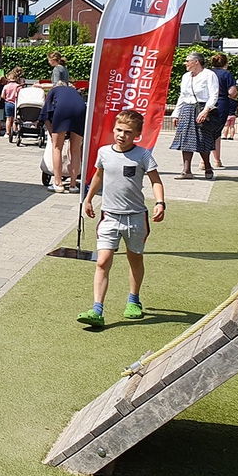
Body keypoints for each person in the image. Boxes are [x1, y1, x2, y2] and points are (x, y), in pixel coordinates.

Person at [76, 111, 165, 328]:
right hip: (109, 216)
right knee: (103, 261)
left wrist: (160, 202)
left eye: (127, 132)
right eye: (118, 130)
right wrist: (88, 199)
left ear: (137, 135)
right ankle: (97, 309)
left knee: (135, 259)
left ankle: (133, 299)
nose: (121, 135)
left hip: (136, 217)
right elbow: (98, 176)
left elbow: (156, 181)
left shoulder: (143, 155)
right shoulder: (104, 152)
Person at [170, 52, 220, 180]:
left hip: (202, 108)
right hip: (187, 108)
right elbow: (182, 95)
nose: (185, 63)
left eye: (188, 61)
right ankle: (186, 171)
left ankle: (207, 166)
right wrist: (176, 113)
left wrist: (206, 110)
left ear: (196, 61)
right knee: (185, 140)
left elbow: (214, 95)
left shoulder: (209, 75)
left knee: (202, 139)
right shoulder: (186, 76)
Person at [40, 83, 86, 193]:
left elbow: (45, 115)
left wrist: (52, 135)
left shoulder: (54, 91)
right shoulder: (74, 92)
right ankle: (73, 185)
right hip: (81, 109)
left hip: (62, 110)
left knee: (57, 148)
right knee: (75, 151)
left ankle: (58, 183)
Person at [209, 53, 238, 169]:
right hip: (221, 102)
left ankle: (204, 160)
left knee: (206, 130)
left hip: (206, 102)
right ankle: (216, 160)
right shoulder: (227, 74)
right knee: (217, 131)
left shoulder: (207, 73)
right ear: (225, 63)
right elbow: (232, 92)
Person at [2, 67, 24, 138]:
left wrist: (6, 99)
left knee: (8, 119)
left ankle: (7, 133)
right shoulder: (18, 87)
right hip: (16, 103)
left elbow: (2, 96)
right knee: (15, 119)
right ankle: (14, 132)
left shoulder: (6, 86)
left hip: (8, 103)